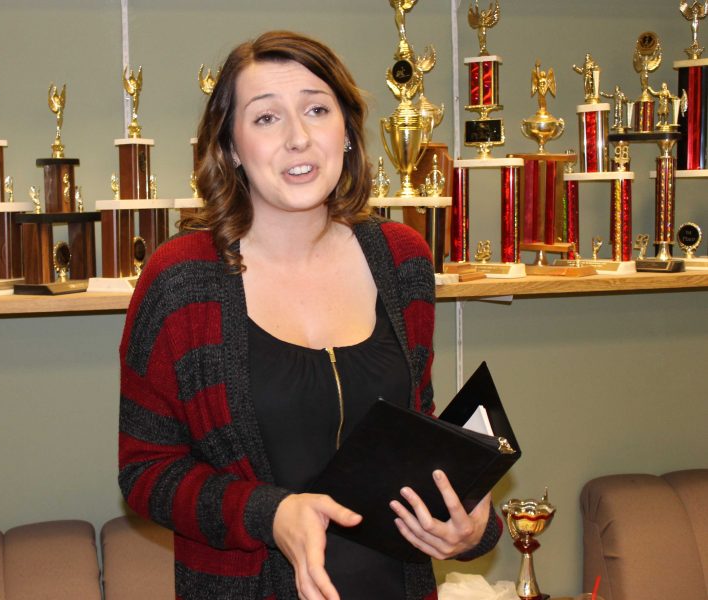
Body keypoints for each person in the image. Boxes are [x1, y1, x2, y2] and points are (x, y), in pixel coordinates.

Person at [118, 30, 502, 600]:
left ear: (345, 132)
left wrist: (469, 520)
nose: (298, 138)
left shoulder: (402, 261)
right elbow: (146, 473)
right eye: (266, 118)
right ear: (229, 146)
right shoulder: (179, 282)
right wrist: (269, 514)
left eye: (317, 110)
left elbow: (416, 427)